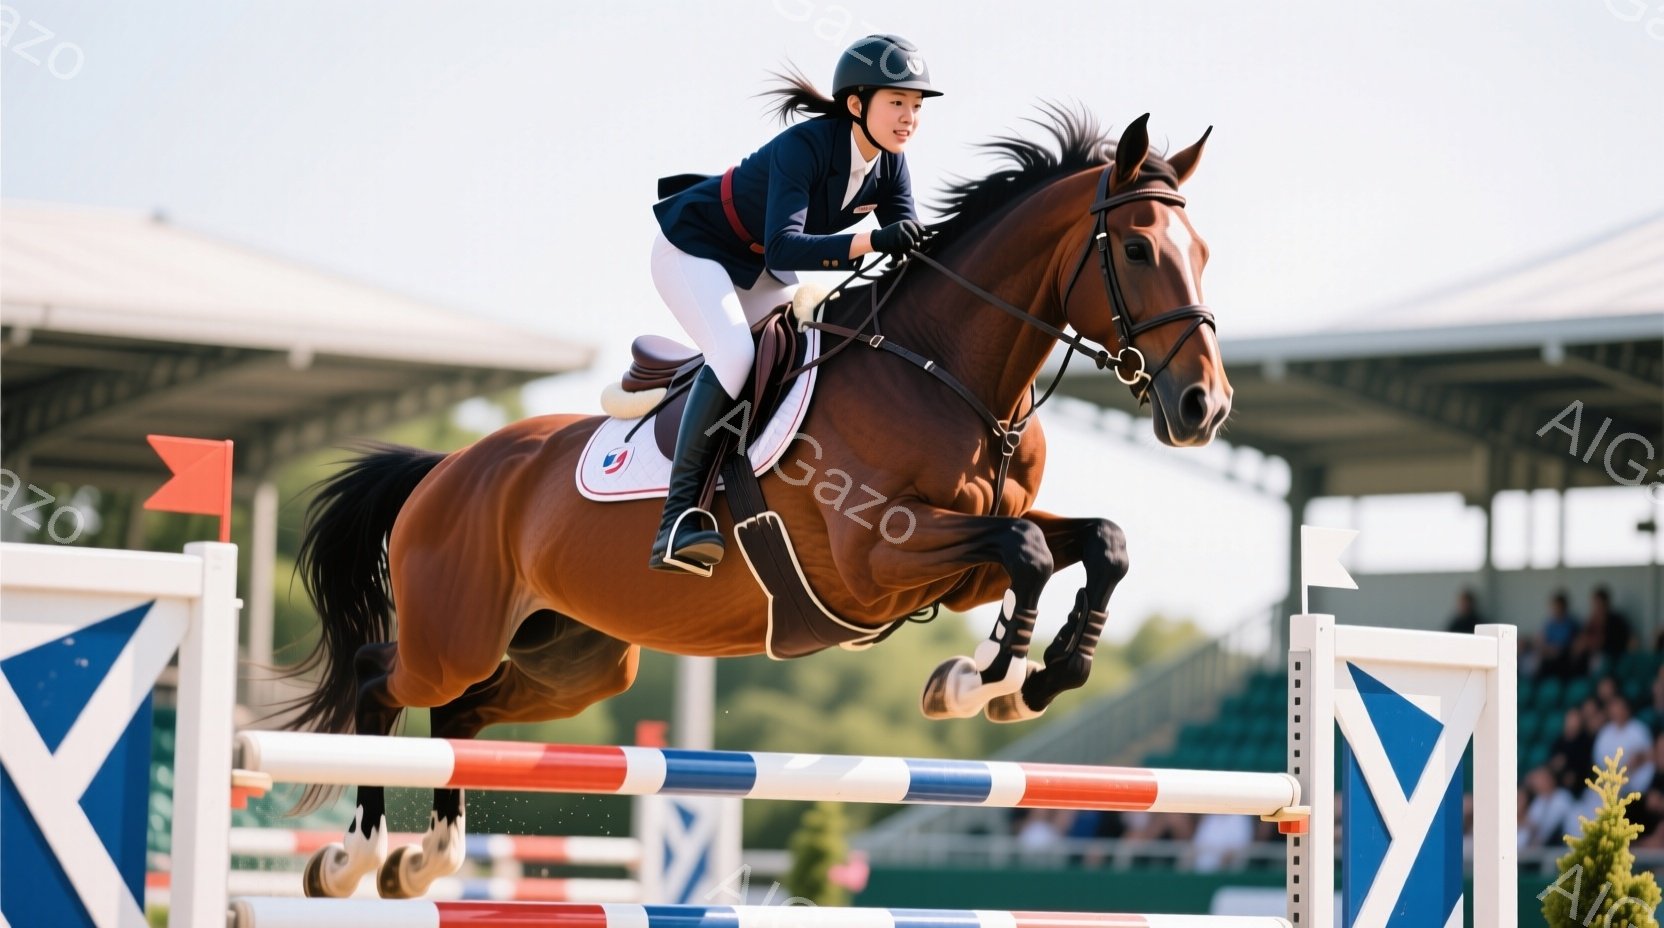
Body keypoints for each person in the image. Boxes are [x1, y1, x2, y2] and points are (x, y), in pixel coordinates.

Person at [645, 34, 938, 574]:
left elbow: (909, 244)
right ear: (856, 105)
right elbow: (786, 244)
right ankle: (677, 519)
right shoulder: (807, 147)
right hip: (697, 247)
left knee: (802, 353)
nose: (908, 118)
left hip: (756, 265)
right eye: (897, 103)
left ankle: (753, 479)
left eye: (915, 107)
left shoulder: (892, 165)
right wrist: (871, 241)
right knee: (735, 355)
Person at [1591, 695, 1653, 773]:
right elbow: (1597, 760)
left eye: (1620, 709)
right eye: (1614, 710)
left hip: (1640, 780)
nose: (1617, 712)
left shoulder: (1639, 729)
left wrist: (1639, 758)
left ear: (1627, 709)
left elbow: (1651, 755)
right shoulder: (1604, 732)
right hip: (1610, 780)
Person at [1534, 590, 1581, 679]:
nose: (1556, 609)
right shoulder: (1549, 624)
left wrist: (1555, 650)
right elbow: (1541, 641)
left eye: (1558, 606)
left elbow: (1566, 645)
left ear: (1564, 607)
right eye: (1554, 606)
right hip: (1549, 658)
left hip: (1564, 659)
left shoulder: (1571, 623)